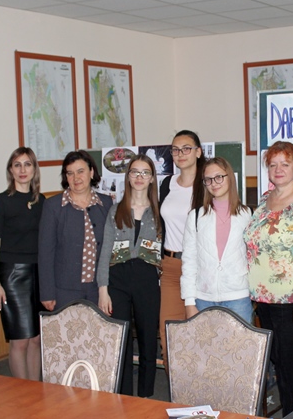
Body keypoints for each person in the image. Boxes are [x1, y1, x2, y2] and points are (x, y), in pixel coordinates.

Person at [244, 141, 293, 416]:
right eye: (273, 164)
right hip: (265, 300)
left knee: (291, 366)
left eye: (285, 164)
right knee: (278, 360)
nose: (278, 169)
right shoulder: (265, 199)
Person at [97, 155, 163, 397]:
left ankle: (146, 396)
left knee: (147, 339)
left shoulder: (158, 212)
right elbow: (105, 251)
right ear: (128, 176)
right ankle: (123, 397)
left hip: (147, 279)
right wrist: (102, 289)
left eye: (145, 172)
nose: (139, 177)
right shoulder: (116, 210)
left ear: (152, 178)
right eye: (135, 172)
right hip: (118, 280)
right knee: (122, 340)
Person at [0, 147, 45, 381]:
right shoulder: (1, 202)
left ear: (34, 169)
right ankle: (23, 392)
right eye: (17, 165)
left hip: (39, 274)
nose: (22, 170)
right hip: (12, 276)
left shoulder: (42, 201)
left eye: (27, 164)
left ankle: (36, 390)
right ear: (10, 170)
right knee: (20, 340)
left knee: (36, 339)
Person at [181, 157, 253, 323]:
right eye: (208, 179)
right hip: (203, 299)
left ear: (230, 177)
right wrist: (189, 302)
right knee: (205, 341)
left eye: (219, 177)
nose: (214, 183)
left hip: (238, 298)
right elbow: (189, 261)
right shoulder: (196, 217)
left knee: (239, 341)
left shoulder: (248, 214)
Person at [38, 150, 112, 310]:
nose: (76, 178)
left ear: (91, 172)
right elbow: (45, 252)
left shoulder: (106, 203)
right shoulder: (53, 206)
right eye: (70, 173)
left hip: (99, 289)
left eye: (80, 171)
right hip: (65, 291)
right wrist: (47, 292)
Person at [158, 130, 206, 364]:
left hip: (199, 268)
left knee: (199, 336)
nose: (180, 153)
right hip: (170, 267)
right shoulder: (167, 184)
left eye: (187, 148)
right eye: (176, 150)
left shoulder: (208, 184)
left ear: (198, 152)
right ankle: (175, 386)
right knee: (169, 334)